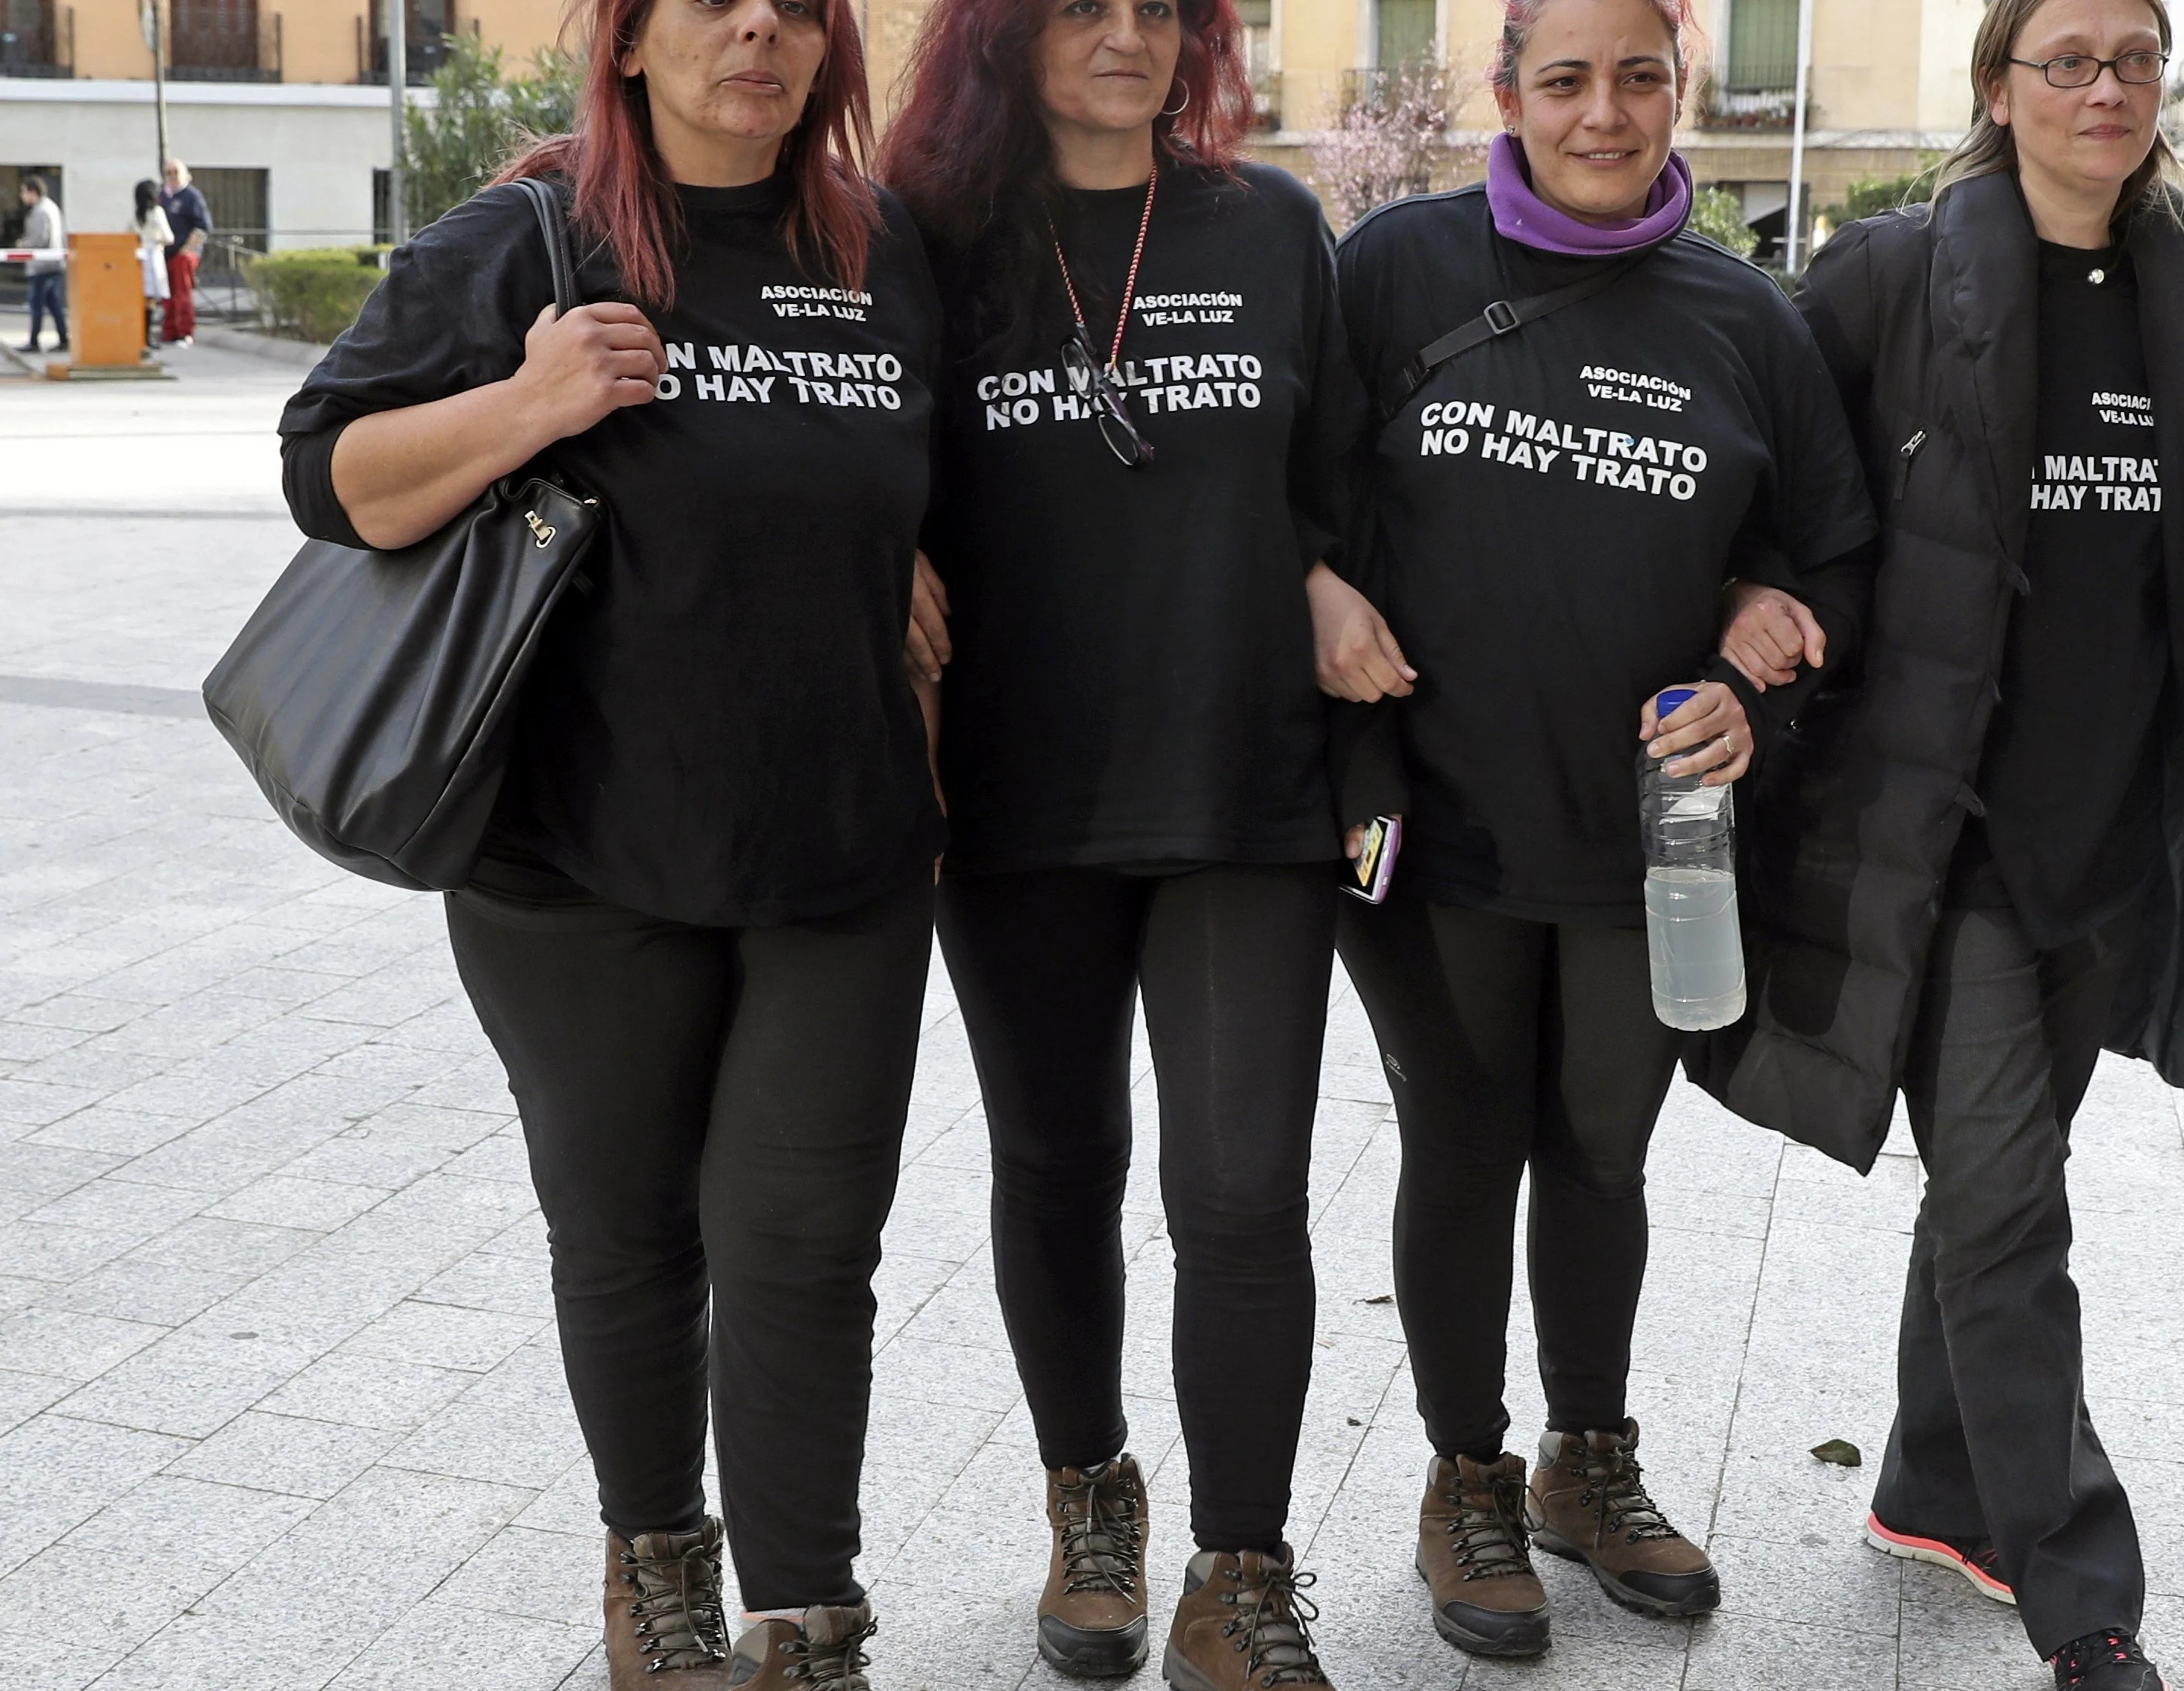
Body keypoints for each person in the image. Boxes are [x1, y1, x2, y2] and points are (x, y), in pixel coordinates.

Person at [271, 0, 942, 1683]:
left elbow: (916, 480)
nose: (759, 30)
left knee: (805, 1243)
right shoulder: (530, 236)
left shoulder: (877, 247)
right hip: (572, 855)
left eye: (797, 8)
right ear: (631, 42)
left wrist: (911, 564)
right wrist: (530, 399)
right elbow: (329, 474)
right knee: (629, 1228)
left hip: (841, 840)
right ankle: (655, 1559)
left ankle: (804, 1609)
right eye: (714, 3)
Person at [1694, 1, 2184, 1686]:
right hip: (1946, 836)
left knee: (1989, 1190)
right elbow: (1774, 484)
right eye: (2069, 59)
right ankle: (2080, 1591)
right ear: (1998, 87)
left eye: (2137, 60)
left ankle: (1938, 1480)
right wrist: (1747, 614)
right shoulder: (1888, 277)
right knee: (2012, 1198)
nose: (2108, 90)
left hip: (2115, 830)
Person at [1326, 0, 1875, 1658]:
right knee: (1463, 1137)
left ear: (1677, 90)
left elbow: (1831, 551)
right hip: (1431, 821)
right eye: (1565, 80)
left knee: (1601, 1149)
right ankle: (1467, 1476)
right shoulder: (1395, 271)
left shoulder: (1743, 316)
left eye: (1639, 76)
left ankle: (1589, 1456)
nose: (1604, 112)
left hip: (1648, 842)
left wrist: (1750, 681)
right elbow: (1285, 483)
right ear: (1506, 96)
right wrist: (1309, 590)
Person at [880, 0, 1365, 1683]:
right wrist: (884, 569)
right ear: (1003, 38)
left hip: (1242, 779)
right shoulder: (932, 241)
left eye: (1158, 8)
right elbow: (854, 463)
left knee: (1242, 1191)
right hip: (1016, 790)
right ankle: (1091, 1498)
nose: (1125, 35)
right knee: (1058, 1165)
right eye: (1081, 6)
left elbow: (1338, 480)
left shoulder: (1274, 226)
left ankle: (1242, 1567)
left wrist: (1312, 567)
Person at [160, 158, 209, 346]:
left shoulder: (191, 196)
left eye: (176, 172)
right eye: (168, 173)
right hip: (165, 253)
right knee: (167, 295)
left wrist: (187, 249)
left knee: (182, 294)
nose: (172, 176)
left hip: (183, 254)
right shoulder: (163, 196)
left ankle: (185, 332)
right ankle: (169, 332)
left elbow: (203, 227)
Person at [17, 176, 65, 355]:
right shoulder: (52, 208)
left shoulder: (41, 212)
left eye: (23, 192)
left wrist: (23, 245)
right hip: (54, 263)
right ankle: (63, 338)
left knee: (36, 304)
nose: (22, 196)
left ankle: (34, 341)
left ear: (32, 192)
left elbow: (40, 239)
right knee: (54, 305)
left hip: (42, 265)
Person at [133, 180, 173, 351]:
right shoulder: (157, 212)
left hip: (139, 256)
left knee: (142, 298)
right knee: (152, 299)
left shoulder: (137, 215)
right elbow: (168, 237)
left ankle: (141, 336)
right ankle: (147, 337)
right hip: (154, 255)